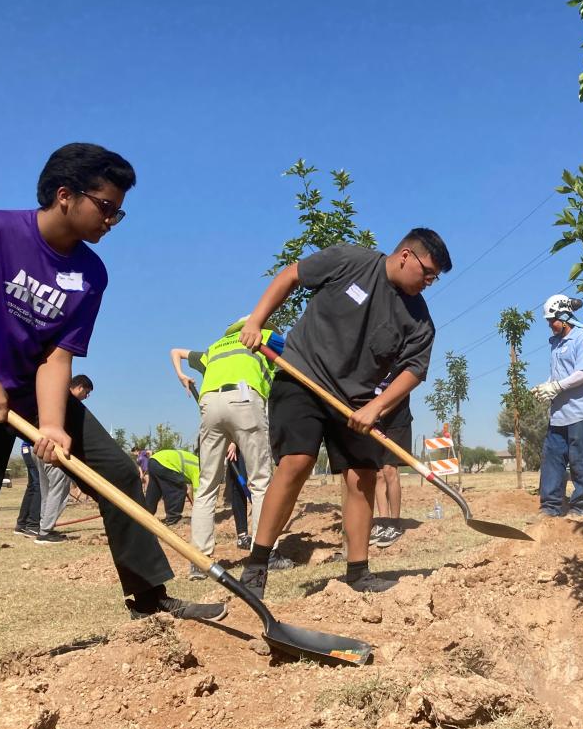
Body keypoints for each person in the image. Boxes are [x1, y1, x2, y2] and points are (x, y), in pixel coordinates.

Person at [0, 143, 224, 721]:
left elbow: (58, 353)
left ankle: (149, 597)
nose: (111, 220)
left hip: (31, 389)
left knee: (120, 473)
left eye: (118, 212)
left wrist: (52, 425)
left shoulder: (91, 272)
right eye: (105, 206)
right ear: (64, 195)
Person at [235, 228, 451, 597]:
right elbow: (291, 275)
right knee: (297, 462)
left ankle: (358, 571)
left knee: (362, 477)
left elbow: (415, 369)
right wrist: (256, 320)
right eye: (427, 273)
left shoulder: (418, 320)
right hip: (302, 377)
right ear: (405, 256)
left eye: (435, 278)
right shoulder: (350, 260)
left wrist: (376, 407)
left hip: (355, 401)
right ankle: (256, 564)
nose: (429, 282)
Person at [171, 319, 289, 575]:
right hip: (245, 399)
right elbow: (296, 352)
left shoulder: (217, 347)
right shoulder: (266, 335)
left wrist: (181, 375)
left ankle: (199, 562)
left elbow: (176, 352)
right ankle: (265, 554)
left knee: (205, 486)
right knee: (260, 483)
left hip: (210, 403)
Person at [532, 295, 583, 518]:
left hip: (582, 412)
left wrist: (557, 387)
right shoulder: (556, 343)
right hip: (559, 414)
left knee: (579, 460)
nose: (549, 324)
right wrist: (547, 385)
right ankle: (550, 507)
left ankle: (581, 508)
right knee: (552, 459)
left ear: (564, 317)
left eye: (551, 319)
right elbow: (560, 374)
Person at [33, 374, 93, 543]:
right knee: (59, 490)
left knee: (47, 490)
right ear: (80, 387)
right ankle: (45, 531)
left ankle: (44, 526)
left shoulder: (53, 398)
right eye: (86, 393)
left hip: (39, 444)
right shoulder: (67, 403)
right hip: (55, 449)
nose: (86, 397)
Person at [371, 379, 411, 549]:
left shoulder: (398, 363)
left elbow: (404, 388)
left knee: (389, 470)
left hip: (397, 421)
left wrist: (379, 412)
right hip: (374, 421)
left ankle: (395, 523)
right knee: (378, 473)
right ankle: (383, 521)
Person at [145, 447, 199, 526]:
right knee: (179, 489)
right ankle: (173, 519)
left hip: (154, 460)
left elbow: (192, 490)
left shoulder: (197, 462)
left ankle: (145, 515)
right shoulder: (201, 470)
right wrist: (199, 510)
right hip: (165, 463)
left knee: (154, 492)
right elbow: (198, 493)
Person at [12, 439, 42, 538]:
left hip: (26, 449)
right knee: (39, 486)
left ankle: (22, 524)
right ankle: (32, 526)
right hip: (34, 449)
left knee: (33, 486)